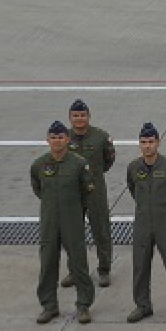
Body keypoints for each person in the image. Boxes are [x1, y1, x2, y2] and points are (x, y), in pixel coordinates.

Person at [31, 120, 96, 324]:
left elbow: (87, 192)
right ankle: (49, 306)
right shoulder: (39, 165)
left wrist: (75, 211)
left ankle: (83, 305)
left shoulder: (78, 164)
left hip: (72, 219)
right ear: (47, 140)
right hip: (50, 221)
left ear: (67, 138)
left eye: (60, 137)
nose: (57, 141)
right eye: (53, 137)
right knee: (48, 262)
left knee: (78, 263)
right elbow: (38, 190)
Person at [126, 122, 166, 323]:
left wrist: (164, 206)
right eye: (143, 142)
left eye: (151, 142)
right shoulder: (134, 168)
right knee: (140, 265)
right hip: (143, 222)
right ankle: (142, 305)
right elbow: (132, 189)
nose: (147, 146)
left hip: (165, 221)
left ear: (158, 143)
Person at [63, 98, 116, 288]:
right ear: (70, 118)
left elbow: (108, 161)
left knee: (101, 230)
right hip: (72, 193)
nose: (79, 119)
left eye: (82, 115)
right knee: (72, 234)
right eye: (75, 116)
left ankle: (104, 270)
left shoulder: (101, 137)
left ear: (88, 117)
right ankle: (75, 271)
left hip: (95, 192)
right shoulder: (64, 138)